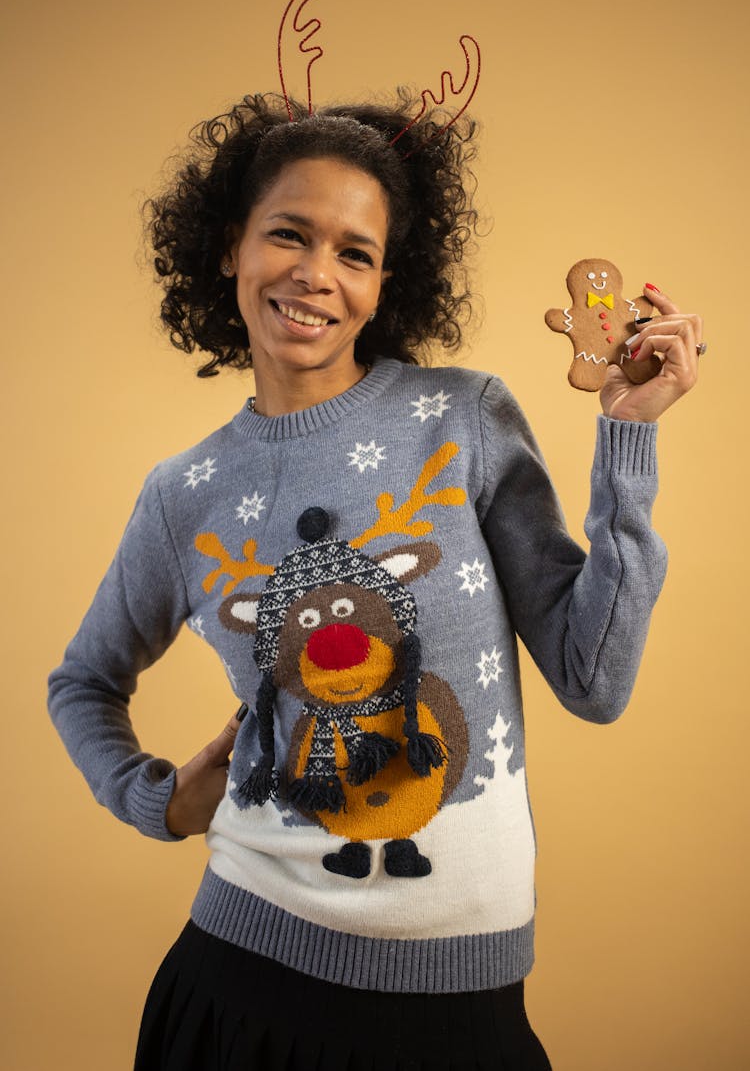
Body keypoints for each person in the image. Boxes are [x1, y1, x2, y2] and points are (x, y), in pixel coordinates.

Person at [48, 89, 703, 1071]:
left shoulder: (466, 421)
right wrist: (161, 800)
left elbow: (593, 678)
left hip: (463, 1013)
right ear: (230, 245)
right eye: (289, 235)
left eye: (354, 252)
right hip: (242, 988)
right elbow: (83, 684)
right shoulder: (184, 495)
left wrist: (630, 438)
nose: (317, 275)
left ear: (386, 280)